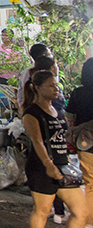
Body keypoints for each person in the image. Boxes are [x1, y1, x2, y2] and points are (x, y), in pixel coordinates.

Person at [21, 70, 88, 228]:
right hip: (41, 168)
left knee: (81, 212)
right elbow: (37, 141)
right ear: (37, 87)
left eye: (56, 85)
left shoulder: (58, 111)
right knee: (42, 212)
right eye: (51, 86)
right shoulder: (31, 113)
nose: (56, 89)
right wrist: (48, 165)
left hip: (62, 165)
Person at [67, 58, 93, 227]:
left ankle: (90, 222)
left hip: (86, 143)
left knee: (90, 183)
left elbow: (69, 117)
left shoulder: (78, 93)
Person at [18, 43, 53, 112]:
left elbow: (20, 95)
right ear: (44, 56)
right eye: (49, 53)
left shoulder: (25, 73)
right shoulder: (48, 75)